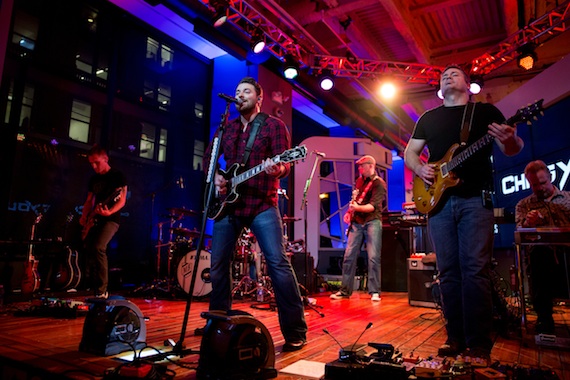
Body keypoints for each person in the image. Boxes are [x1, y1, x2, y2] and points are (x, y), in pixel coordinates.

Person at [404, 65, 524, 361]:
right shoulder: (428, 118)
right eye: (444, 75)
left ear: (468, 84)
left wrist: (509, 138)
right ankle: (455, 338)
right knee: (449, 273)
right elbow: (410, 152)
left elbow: (512, 148)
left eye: (455, 73)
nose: (447, 76)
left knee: (475, 271)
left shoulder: (485, 112)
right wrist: (419, 168)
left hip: (475, 201)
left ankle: (479, 344)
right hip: (439, 204)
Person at [203, 77, 308, 352]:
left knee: (278, 264)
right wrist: (216, 178)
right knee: (217, 265)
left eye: (246, 91)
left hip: (262, 203)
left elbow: (286, 162)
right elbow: (209, 160)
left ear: (258, 97)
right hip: (230, 204)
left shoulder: (273, 125)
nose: (240, 95)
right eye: (237, 91)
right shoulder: (227, 127)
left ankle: (295, 330)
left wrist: (278, 169)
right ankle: (218, 321)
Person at [515, 160, 570, 334]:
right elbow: (520, 231)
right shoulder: (524, 205)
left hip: (567, 253)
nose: (539, 188)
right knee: (538, 255)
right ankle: (544, 320)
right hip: (542, 257)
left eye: (543, 183)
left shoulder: (568, 198)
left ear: (551, 177)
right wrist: (528, 223)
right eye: (534, 185)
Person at [330, 155, 386, 302]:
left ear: (371, 166)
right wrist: (350, 212)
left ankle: (374, 291)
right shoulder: (360, 181)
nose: (359, 169)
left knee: (373, 257)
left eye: (362, 166)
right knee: (349, 256)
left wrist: (357, 207)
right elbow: (357, 201)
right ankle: (345, 290)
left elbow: (372, 206)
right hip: (357, 222)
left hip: (372, 220)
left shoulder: (379, 183)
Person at [79, 145, 127, 299]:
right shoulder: (94, 179)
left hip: (111, 219)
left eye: (96, 162)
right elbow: (89, 200)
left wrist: (110, 212)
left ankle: (102, 290)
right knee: (89, 248)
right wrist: (85, 216)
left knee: (99, 247)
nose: (94, 166)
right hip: (94, 218)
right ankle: (87, 286)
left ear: (105, 159)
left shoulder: (117, 176)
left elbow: (122, 199)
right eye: (91, 163)